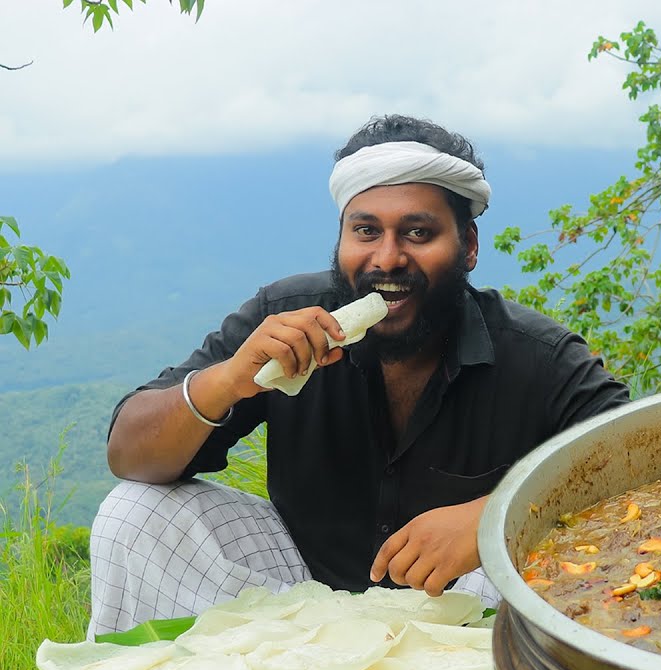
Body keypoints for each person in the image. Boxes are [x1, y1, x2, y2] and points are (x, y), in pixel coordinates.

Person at [90, 115, 630, 636]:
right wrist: (229, 379)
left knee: (518, 558)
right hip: (301, 600)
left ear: (468, 247)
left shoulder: (535, 355)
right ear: (341, 240)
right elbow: (129, 455)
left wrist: (492, 519)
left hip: (460, 615)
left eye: (418, 233)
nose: (388, 258)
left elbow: (641, 459)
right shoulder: (284, 319)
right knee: (136, 514)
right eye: (366, 231)